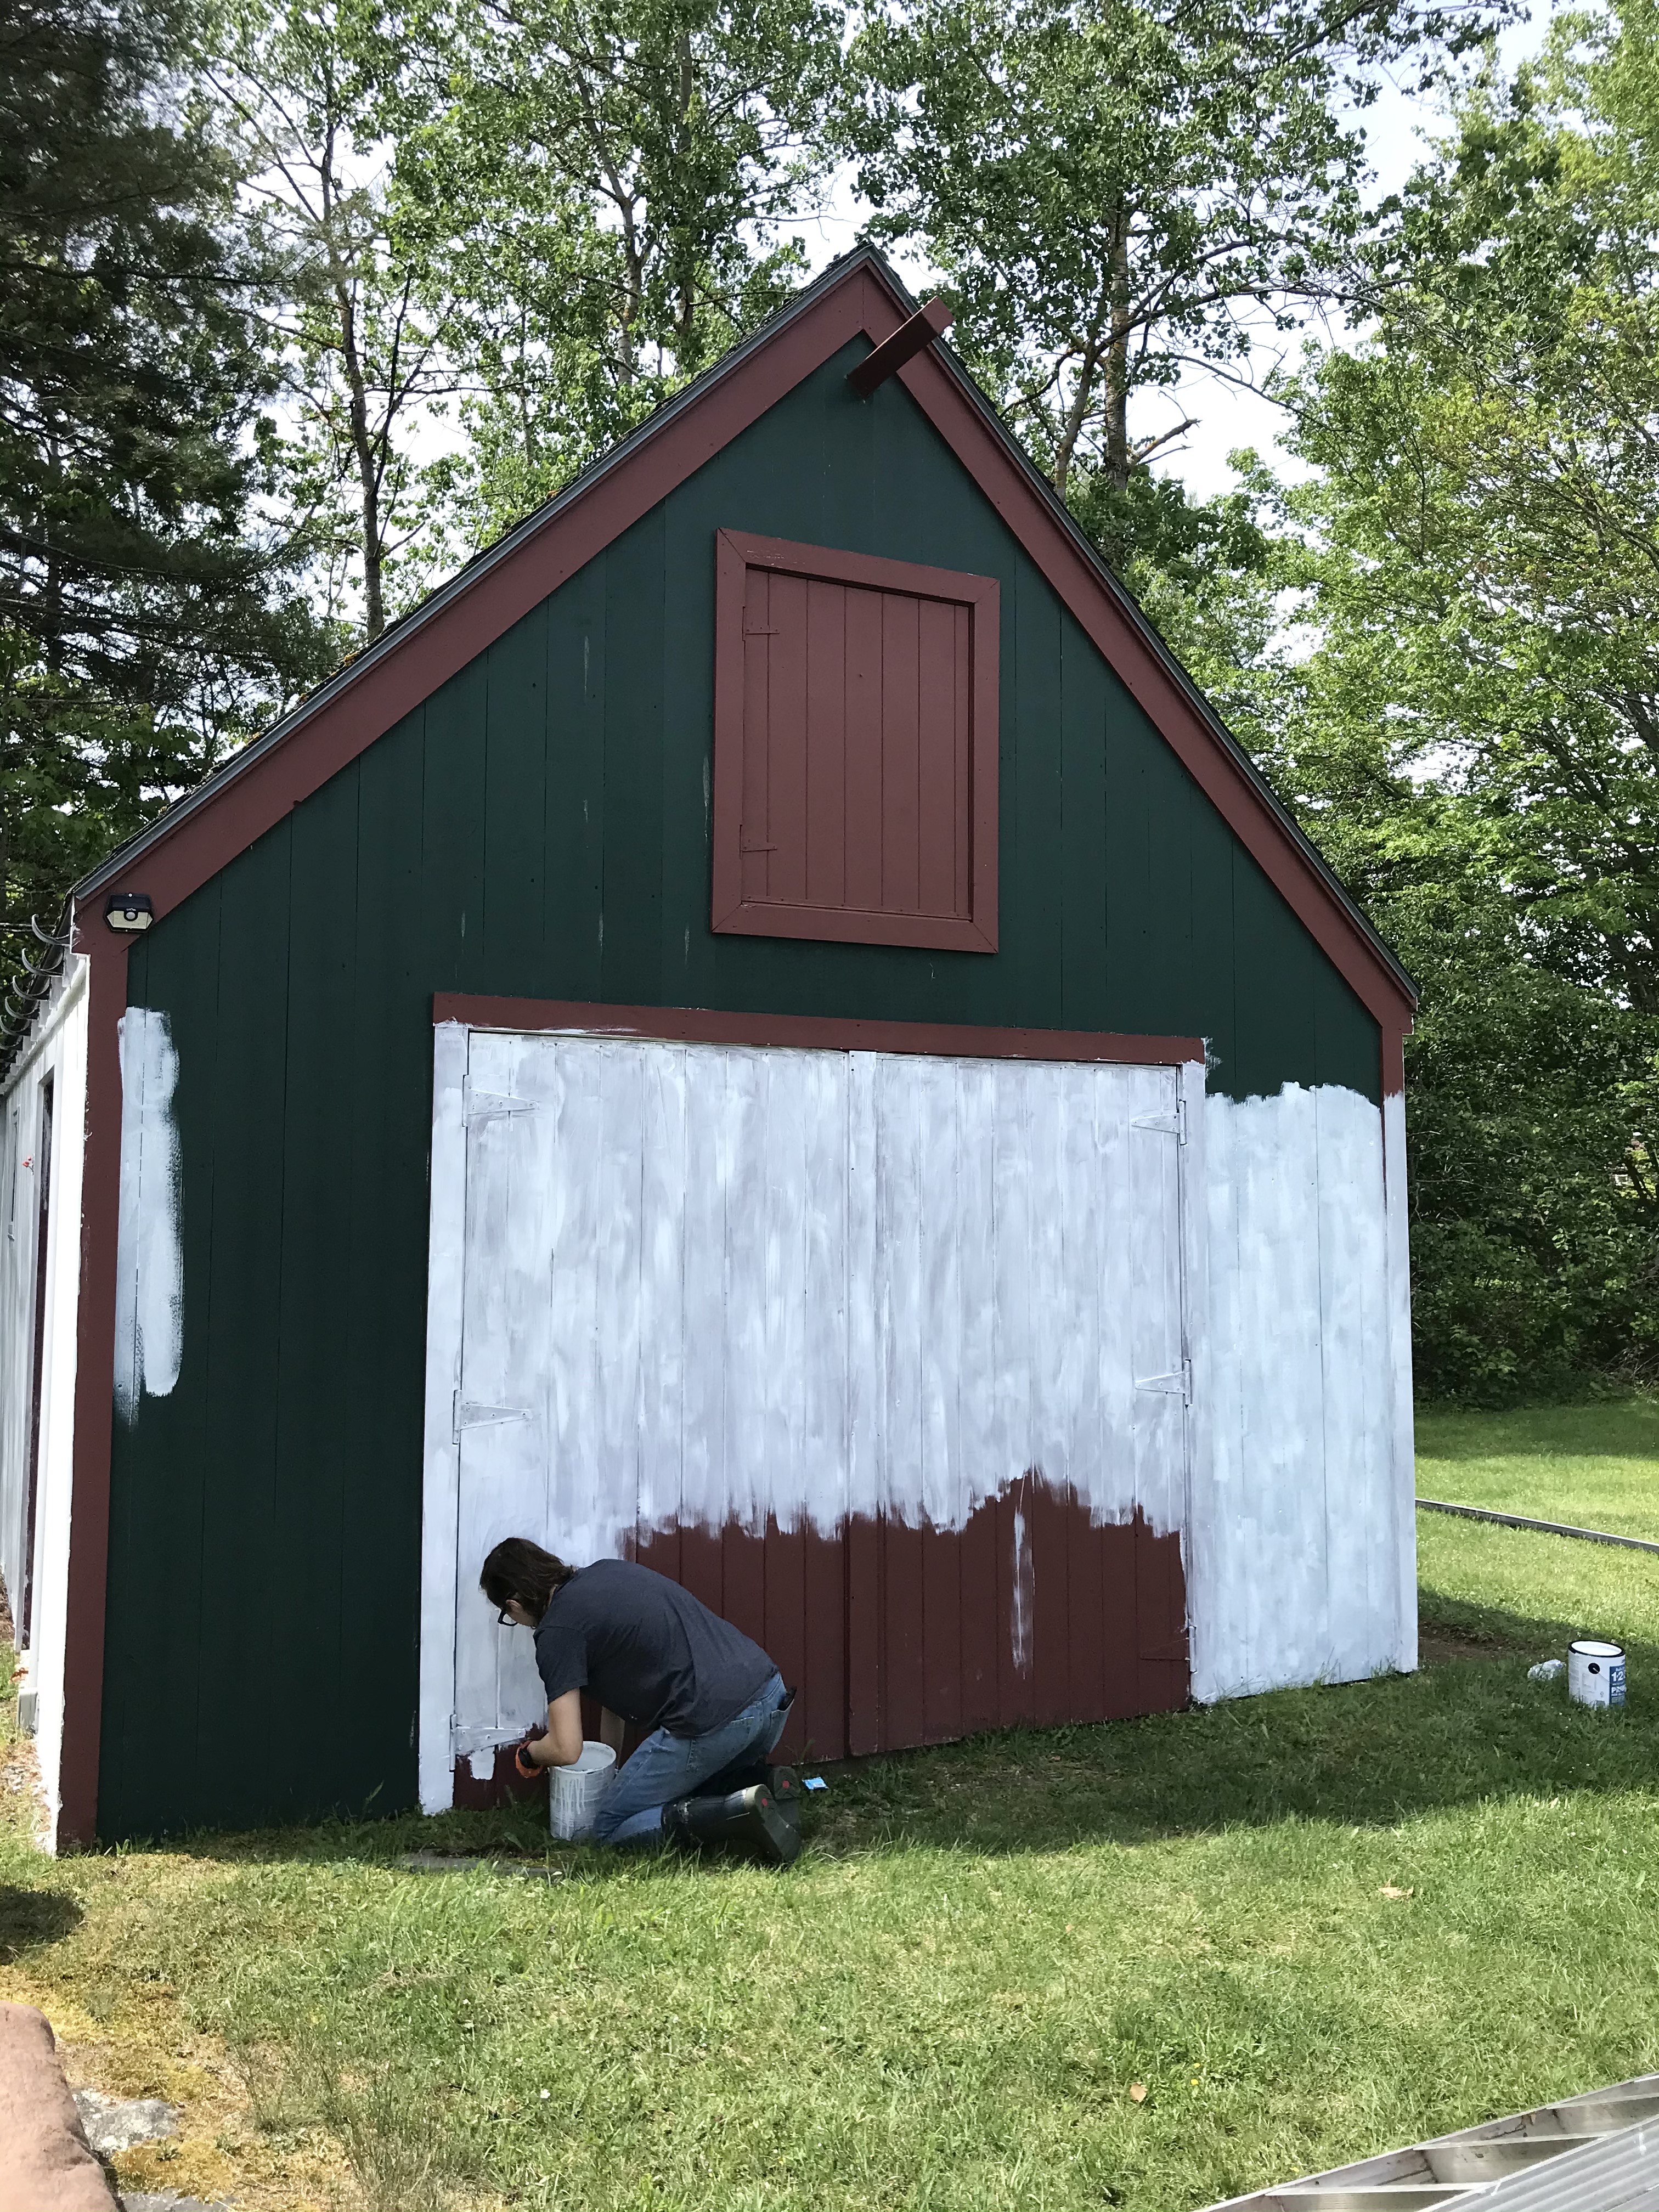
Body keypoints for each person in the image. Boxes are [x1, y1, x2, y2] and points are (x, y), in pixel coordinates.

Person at [479, 1537, 801, 1864]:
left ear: (514, 1605)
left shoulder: (557, 1633)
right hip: (769, 1695)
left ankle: (737, 1814)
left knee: (609, 1827)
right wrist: (616, 1773)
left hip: (714, 1721)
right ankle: (760, 1784)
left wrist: (530, 1754)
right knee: (685, 1786)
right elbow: (615, 1698)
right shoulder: (607, 1572)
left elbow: (566, 1749)